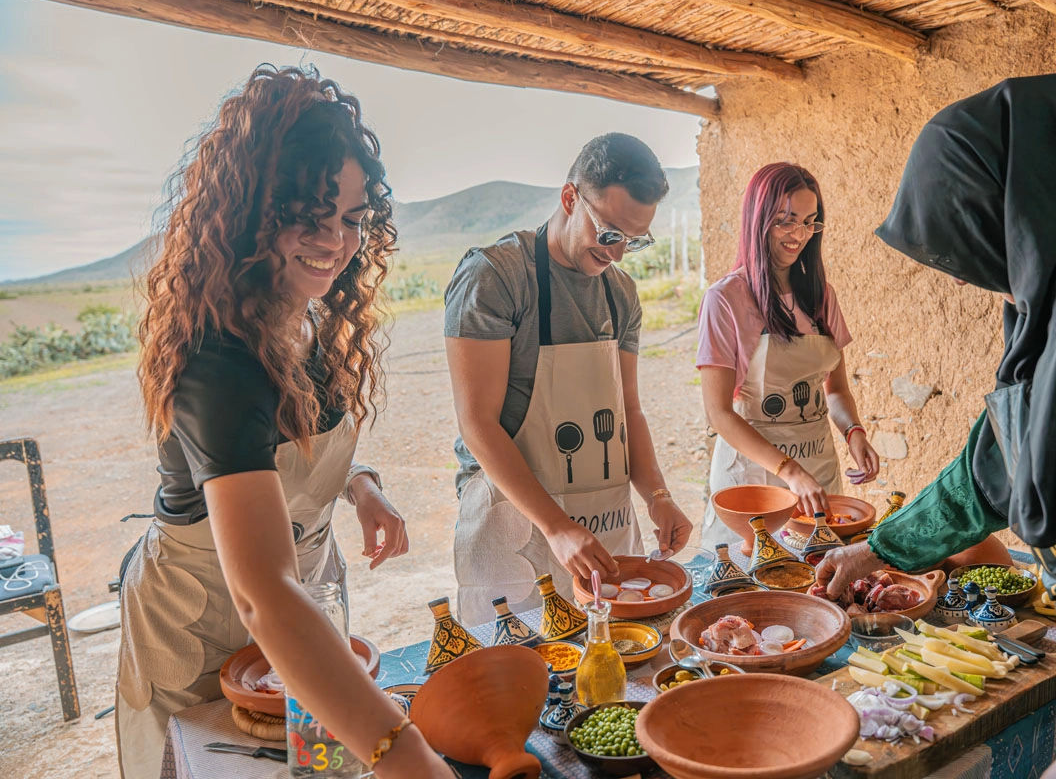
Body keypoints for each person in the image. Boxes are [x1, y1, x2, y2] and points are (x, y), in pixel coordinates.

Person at [815, 74, 1056, 779]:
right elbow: (996, 462)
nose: (953, 270)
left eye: (955, 231)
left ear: (1003, 203)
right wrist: (878, 550)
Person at [119, 66, 451, 779]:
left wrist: (359, 483)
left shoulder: (307, 315)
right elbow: (261, 591)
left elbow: (287, 446)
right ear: (250, 210)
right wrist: (406, 752)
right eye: (308, 214)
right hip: (203, 628)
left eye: (353, 220)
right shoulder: (218, 355)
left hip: (296, 616)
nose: (334, 242)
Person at [444, 133, 693, 625]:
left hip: (606, 525)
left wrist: (658, 497)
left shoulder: (620, 293)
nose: (618, 253)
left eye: (634, 240)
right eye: (609, 233)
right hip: (513, 528)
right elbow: (477, 424)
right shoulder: (496, 277)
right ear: (569, 198)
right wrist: (557, 527)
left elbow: (629, 410)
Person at [696, 163, 879, 548]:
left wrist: (854, 431)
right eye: (786, 221)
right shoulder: (725, 300)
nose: (799, 235)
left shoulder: (821, 295)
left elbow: (837, 389)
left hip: (817, 471)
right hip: (754, 482)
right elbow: (720, 413)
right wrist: (789, 470)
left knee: (819, 582)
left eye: (810, 222)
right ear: (758, 219)